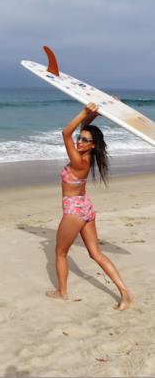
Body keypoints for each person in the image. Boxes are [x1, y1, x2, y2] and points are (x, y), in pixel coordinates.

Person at [46, 102, 132, 310]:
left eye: (85, 140)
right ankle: (125, 293)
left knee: (59, 253)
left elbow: (66, 133)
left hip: (74, 211)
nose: (79, 141)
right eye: (80, 138)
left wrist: (84, 112)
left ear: (92, 145)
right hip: (86, 207)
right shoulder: (88, 157)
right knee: (96, 254)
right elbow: (81, 130)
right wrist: (93, 114)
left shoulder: (78, 162)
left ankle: (62, 292)